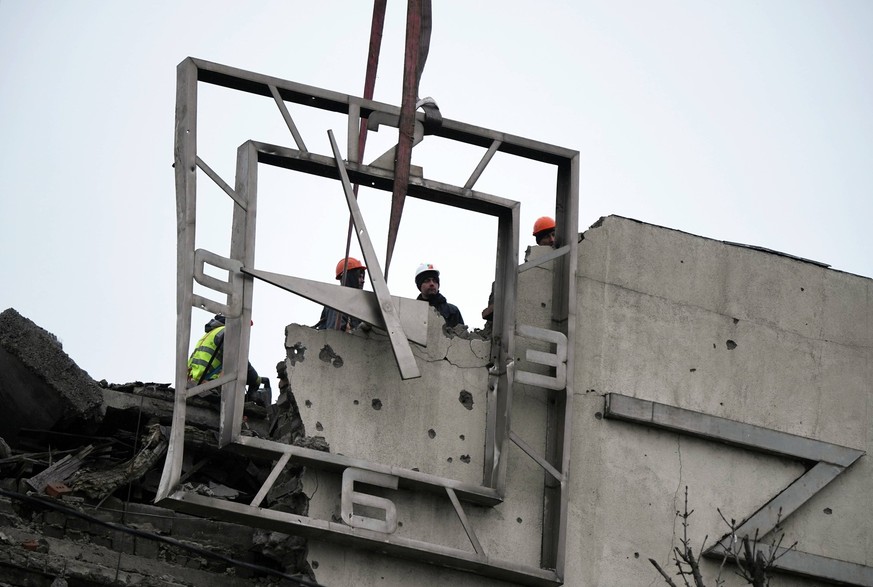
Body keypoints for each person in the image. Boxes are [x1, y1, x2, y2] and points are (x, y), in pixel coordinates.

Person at [481, 216, 557, 325]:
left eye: (553, 235)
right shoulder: (529, 270)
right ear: (539, 241)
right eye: (546, 236)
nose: (552, 240)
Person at [187, 314, 270, 405]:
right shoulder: (228, 332)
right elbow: (239, 360)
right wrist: (255, 379)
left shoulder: (210, 334)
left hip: (193, 383)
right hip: (209, 385)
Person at [315, 257, 367, 331]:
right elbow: (334, 335)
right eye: (359, 277)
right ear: (349, 277)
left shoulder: (358, 304)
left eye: (363, 277)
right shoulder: (337, 300)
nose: (363, 281)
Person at [415, 263, 464, 328]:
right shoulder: (413, 312)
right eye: (427, 281)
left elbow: (462, 336)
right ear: (419, 285)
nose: (432, 284)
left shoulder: (452, 311)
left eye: (435, 281)